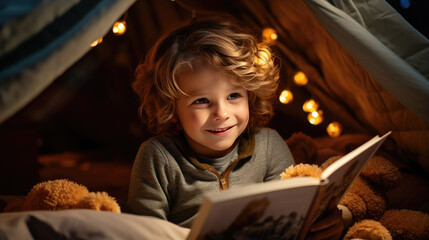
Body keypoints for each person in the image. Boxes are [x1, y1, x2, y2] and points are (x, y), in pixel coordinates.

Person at [127, 16, 344, 239]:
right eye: (201, 100)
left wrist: (328, 223)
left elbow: (291, 220)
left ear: (250, 96)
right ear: (171, 109)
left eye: (233, 96)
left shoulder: (269, 146)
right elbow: (144, 233)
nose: (222, 113)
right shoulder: (158, 157)